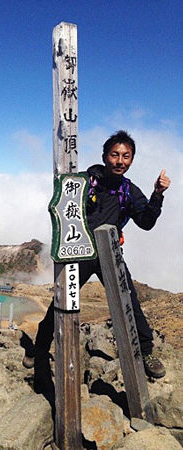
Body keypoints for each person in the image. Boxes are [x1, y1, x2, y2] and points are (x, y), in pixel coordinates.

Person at [23, 130, 171, 384]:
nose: (120, 161)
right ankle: (40, 347)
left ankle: (146, 352)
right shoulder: (85, 181)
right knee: (61, 301)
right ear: (105, 156)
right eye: (115, 155)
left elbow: (146, 221)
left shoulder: (128, 190)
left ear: (132, 160)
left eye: (126, 156)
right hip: (79, 253)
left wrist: (157, 194)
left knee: (129, 300)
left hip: (110, 253)